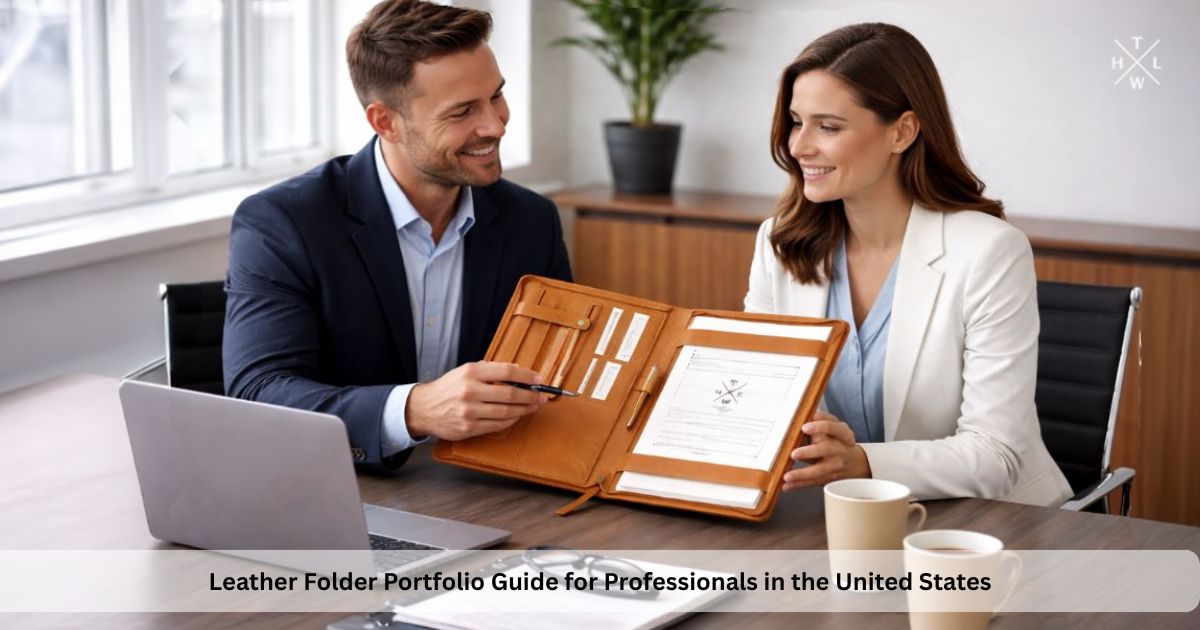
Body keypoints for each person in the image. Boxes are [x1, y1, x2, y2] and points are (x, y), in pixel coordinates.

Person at [223, 0, 571, 470]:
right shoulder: (284, 223)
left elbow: (560, 372)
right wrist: (415, 410)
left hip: (483, 484)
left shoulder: (531, 220)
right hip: (337, 487)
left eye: (496, 95)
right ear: (385, 122)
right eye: (463, 111)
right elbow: (259, 394)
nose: (494, 123)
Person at [745, 23, 1072, 506]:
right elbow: (760, 400)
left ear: (902, 131)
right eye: (796, 121)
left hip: (981, 525)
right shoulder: (781, 242)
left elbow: (997, 455)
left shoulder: (990, 253)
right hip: (833, 513)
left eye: (828, 127)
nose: (798, 146)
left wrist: (862, 462)